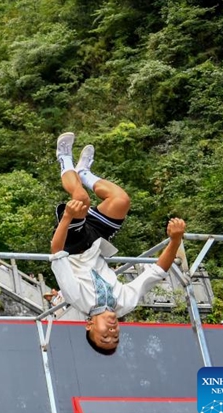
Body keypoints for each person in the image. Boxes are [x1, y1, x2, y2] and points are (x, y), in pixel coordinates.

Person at [49, 132, 186, 356]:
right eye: (115, 336)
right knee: (121, 200)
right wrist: (175, 239)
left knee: (81, 200)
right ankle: (84, 173)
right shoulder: (125, 302)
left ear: (89, 326)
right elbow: (157, 271)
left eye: (105, 336)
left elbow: (56, 253)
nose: (112, 331)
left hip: (72, 245)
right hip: (95, 242)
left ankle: (64, 158)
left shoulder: (78, 298)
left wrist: (67, 217)